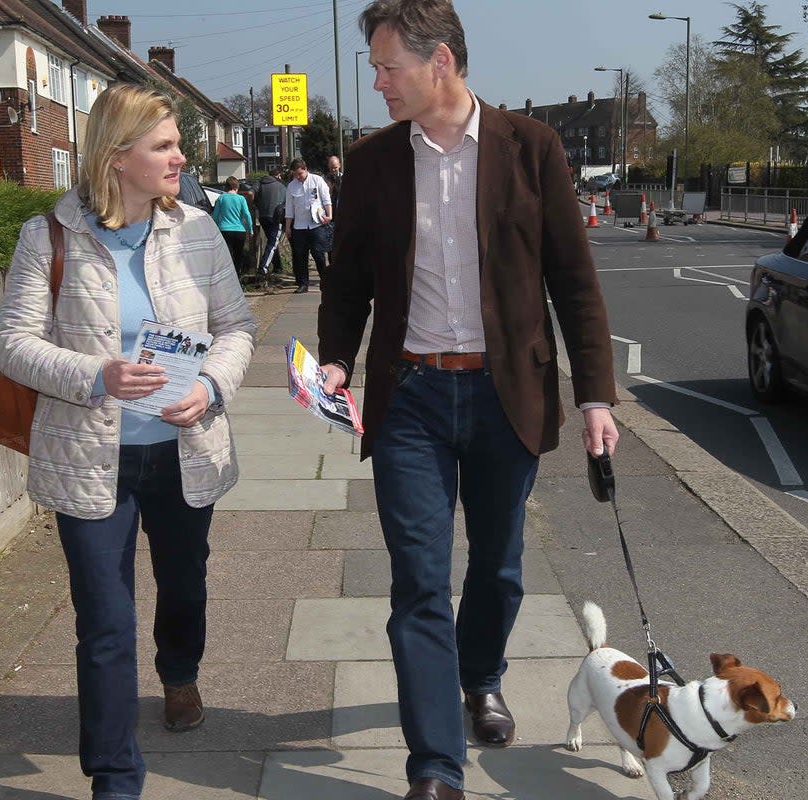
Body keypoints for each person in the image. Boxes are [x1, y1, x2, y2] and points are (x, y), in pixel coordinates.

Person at [317, 3, 618, 799]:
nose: (376, 83)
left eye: (389, 68)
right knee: (418, 579)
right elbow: (345, 281)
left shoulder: (533, 149)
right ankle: (436, 768)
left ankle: (481, 674)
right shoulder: (374, 161)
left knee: (500, 567)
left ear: (440, 61)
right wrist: (338, 363)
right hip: (410, 393)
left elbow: (575, 282)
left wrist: (595, 396)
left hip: (503, 391)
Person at [0, 83, 256, 800]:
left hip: (184, 450)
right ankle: (114, 777)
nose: (181, 158)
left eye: (178, 145)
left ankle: (179, 673)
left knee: (184, 583)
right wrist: (96, 375)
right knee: (104, 622)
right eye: (165, 146)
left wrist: (212, 388)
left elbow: (237, 327)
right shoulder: (46, 236)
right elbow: (11, 345)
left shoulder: (198, 230)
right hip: (89, 457)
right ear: (117, 156)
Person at [284, 158, 332, 293]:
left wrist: (329, 215)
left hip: (316, 224)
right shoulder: (291, 186)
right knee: (300, 256)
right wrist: (288, 227)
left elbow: (326, 199)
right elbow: (289, 208)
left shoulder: (317, 180)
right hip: (299, 226)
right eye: (295, 175)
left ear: (305, 169)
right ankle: (303, 284)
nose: (298, 177)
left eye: (300, 174)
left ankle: (325, 281)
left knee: (318, 254)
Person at [211, 176, 254, 274]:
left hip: (225, 230)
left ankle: (227, 276)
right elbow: (247, 215)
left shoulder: (221, 198)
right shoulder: (241, 199)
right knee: (238, 255)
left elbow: (216, 216)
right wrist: (250, 229)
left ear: (226, 187)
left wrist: (216, 227)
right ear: (237, 188)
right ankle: (237, 276)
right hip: (239, 231)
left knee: (226, 255)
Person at [254, 166, 287, 279]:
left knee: (272, 242)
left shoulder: (260, 182)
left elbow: (251, 192)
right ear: (278, 175)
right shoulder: (281, 185)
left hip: (263, 216)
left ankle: (278, 267)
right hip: (276, 217)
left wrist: (257, 205)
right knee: (273, 242)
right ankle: (263, 267)